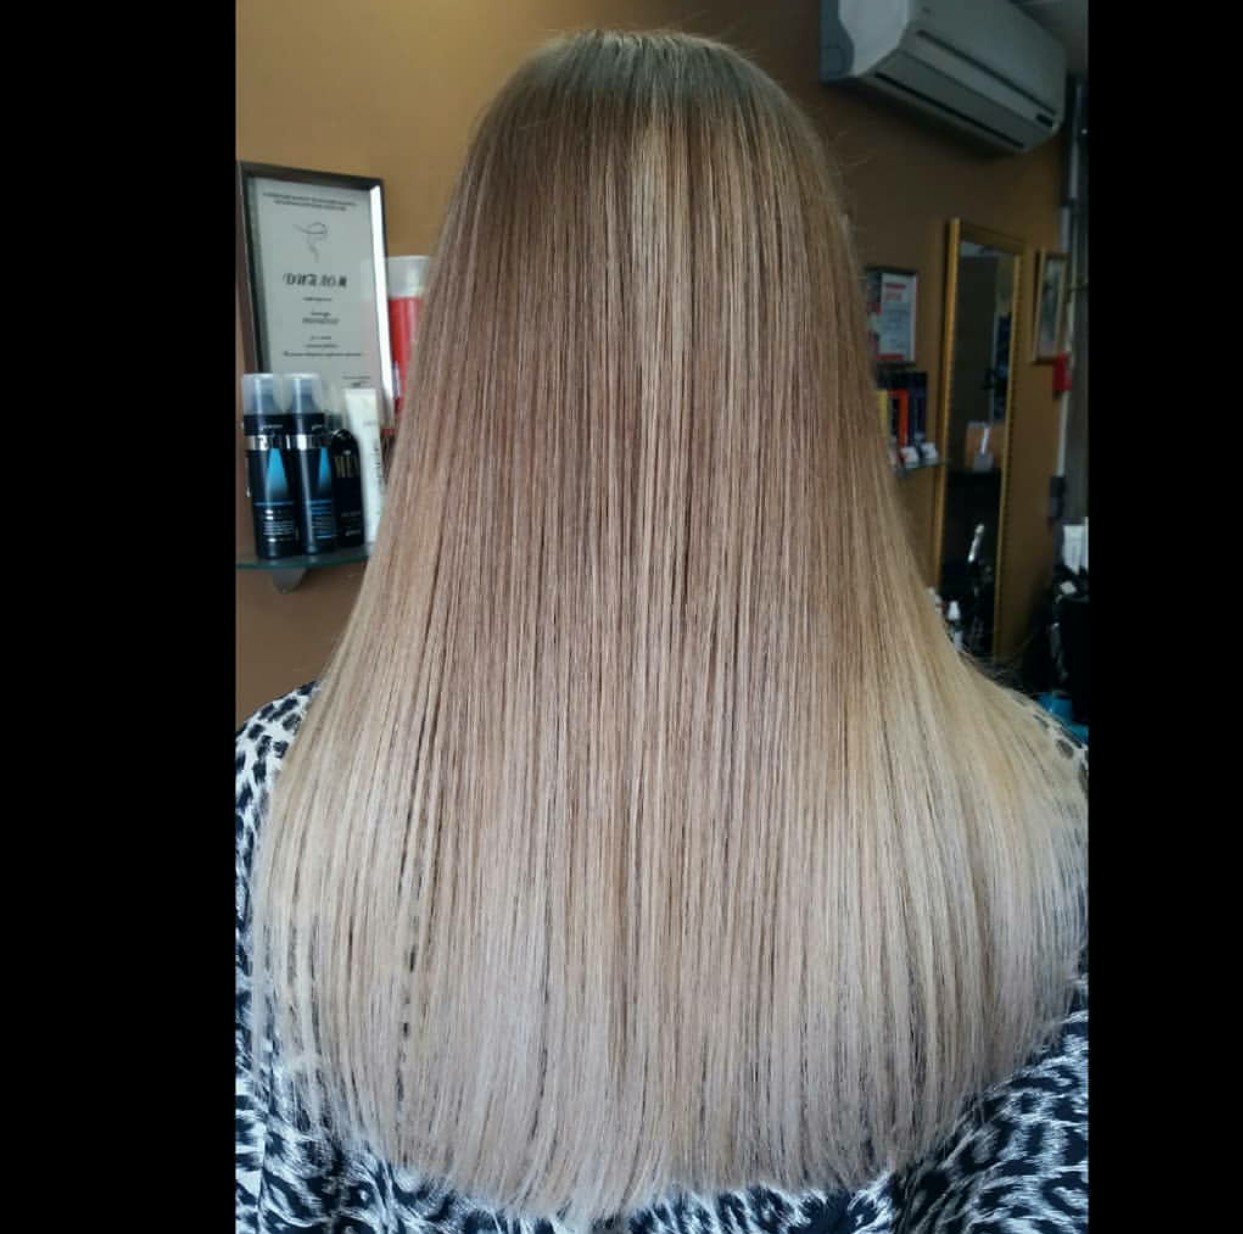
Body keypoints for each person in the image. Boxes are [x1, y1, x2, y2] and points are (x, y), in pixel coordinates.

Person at [236, 30, 1088, 1234]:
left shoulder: (299, 797)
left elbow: (267, 1196)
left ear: (469, 359)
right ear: (816, 364)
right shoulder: (1023, 807)